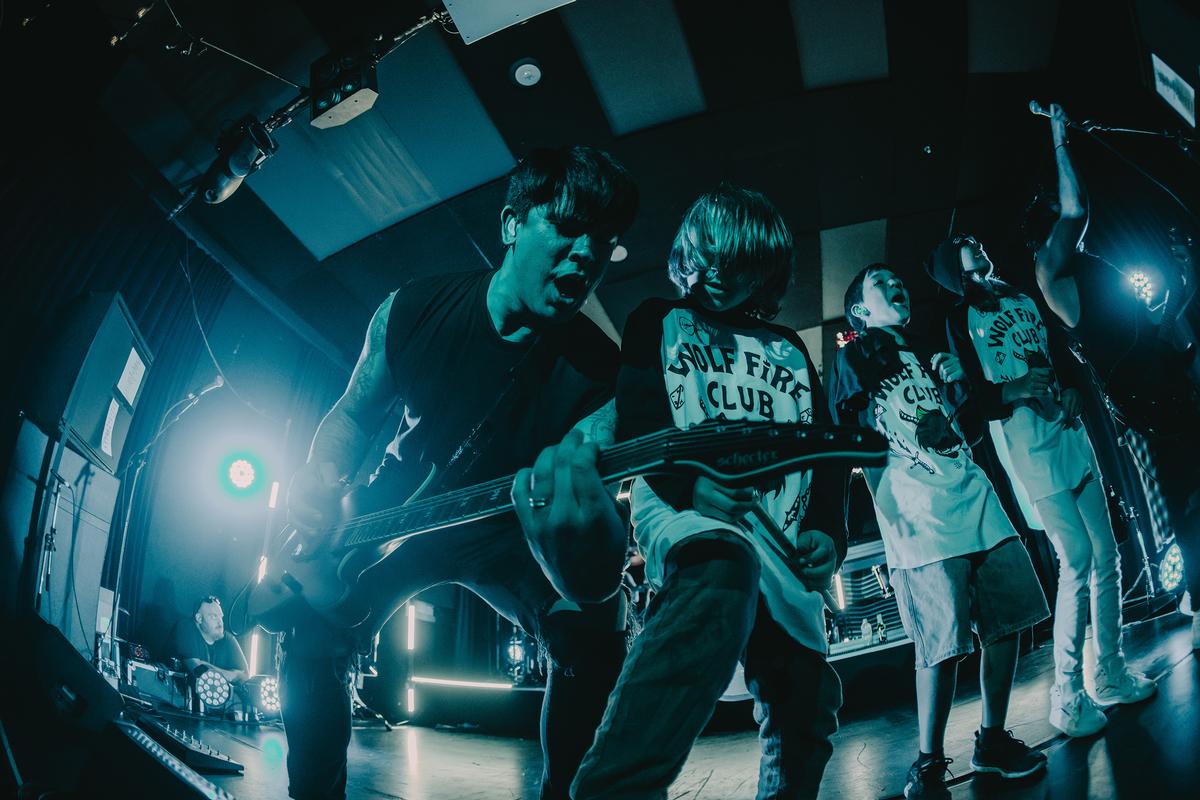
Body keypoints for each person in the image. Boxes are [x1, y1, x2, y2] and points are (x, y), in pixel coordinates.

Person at [281, 145, 639, 800]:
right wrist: (319, 475)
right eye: (566, 227)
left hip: (514, 534)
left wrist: (588, 552)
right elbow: (351, 417)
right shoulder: (412, 311)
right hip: (405, 510)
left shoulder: (604, 373)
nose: (586, 255)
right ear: (511, 223)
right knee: (309, 630)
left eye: (603, 240)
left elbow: (589, 453)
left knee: (591, 634)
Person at [572, 186, 846, 800]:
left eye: (743, 266)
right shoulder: (656, 320)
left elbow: (823, 455)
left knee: (807, 694)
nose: (723, 275)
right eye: (713, 257)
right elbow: (641, 417)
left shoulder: (791, 348)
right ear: (692, 252)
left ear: (766, 272)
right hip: (682, 507)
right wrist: (690, 483)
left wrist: (828, 530)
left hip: (778, 532)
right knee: (720, 573)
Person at [829, 264, 1050, 800]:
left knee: (1008, 622)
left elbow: (963, 427)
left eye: (896, 279)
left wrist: (959, 384)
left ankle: (992, 741)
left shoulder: (929, 355)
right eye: (881, 282)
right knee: (942, 643)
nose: (895, 283)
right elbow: (845, 429)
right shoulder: (853, 355)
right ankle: (927, 761)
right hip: (919, 512)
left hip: (974, 496)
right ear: (860, 309)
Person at [926, 233, 1156, 738]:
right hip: (1026, 443)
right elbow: (971, 401)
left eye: (975, 239)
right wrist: (1013, 388)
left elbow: (1060, 351)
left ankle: (1110, 670)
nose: (975, 243)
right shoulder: (958, 319)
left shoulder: (1020, 295)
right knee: (1075, 557)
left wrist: (1072, 387)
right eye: (964, 244)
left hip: (1067, 432)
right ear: (951, 269)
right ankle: (1067, 694)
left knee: (1107, 554)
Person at [1029, 102, 1200, 651]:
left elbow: (1154, 320)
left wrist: (1184, 276)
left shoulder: (1092, 269)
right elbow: (1076, 209)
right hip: (1146, 396)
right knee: (1187, 495)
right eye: (1058, 212)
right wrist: (1060, 138)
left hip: (1165, 376)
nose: (1074, 213)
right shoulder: (1049, 272)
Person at [173, 595, 250, 687]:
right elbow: (198, 670)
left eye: (221, 617)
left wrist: (206, 665)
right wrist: (232, 674)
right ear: (199, 618)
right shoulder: (186, 627)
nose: (220, 622)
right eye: (214, 616)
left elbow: (245, 677)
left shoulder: (228, 638)